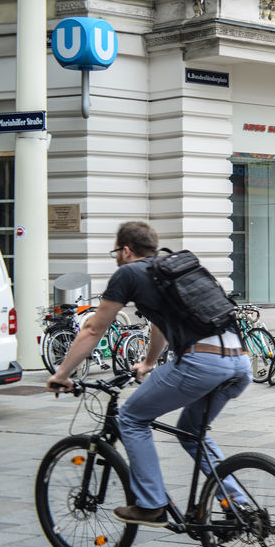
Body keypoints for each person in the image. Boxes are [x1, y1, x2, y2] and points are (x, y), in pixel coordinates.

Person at [46, 222, 252, 526]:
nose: (116, 257)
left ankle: (151, 504)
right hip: (239, 360)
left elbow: (93, 328)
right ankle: (238, 505)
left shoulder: (128, 273)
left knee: (131, 417)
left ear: (126, 250)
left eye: (116, 251)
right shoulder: (167, 272)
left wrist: (62, 373)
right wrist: (148, 363)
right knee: (193, 433)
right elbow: (161, 324)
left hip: (203, 362)